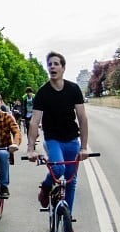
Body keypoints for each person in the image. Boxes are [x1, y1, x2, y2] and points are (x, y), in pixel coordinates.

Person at [26, 52, 89, 211]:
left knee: (70, 180)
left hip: (72, 140)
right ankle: (46, 187)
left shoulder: (73, 89)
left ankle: (67, 218)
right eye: (50, 64)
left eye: (56, 64)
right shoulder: (42, 92)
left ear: (63, 68)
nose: (52, 66)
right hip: (53, 139)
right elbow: (34, 121)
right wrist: (30, 149)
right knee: (58, 168)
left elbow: (82, 118)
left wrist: (84, 147)